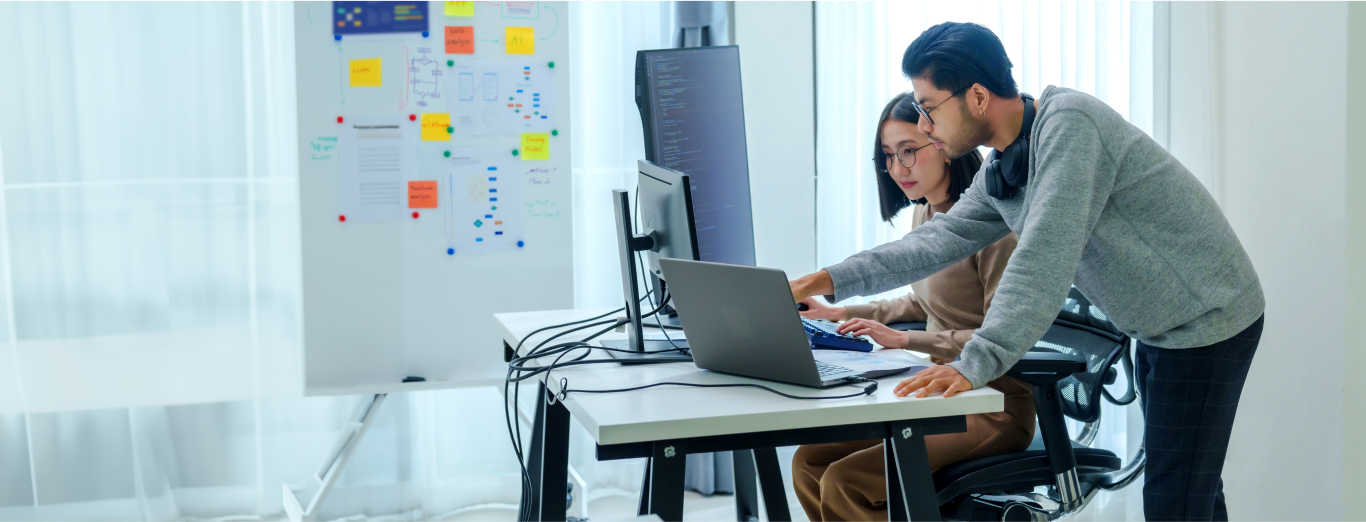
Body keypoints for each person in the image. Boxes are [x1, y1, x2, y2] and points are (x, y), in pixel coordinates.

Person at [790, 22, 1264, 522]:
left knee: (1174, 501)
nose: (925, 126)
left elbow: (1043, 259)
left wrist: (974, 362)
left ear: (975, 96)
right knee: (1194, 491)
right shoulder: (1005, 171)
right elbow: (932, 243)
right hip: (1156, 327)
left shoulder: (1071, 127)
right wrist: (822, 279)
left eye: (929, 109)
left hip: (1206, 319)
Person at [791, 92, 1034, 522]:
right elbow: (922, 299)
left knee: (846, 481)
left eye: (908, 151)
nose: (898, 168)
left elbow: (1006, 336)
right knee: (809, 463)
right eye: (888, 156)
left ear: (941, 145)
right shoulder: (925, 215)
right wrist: (841, 313)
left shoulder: (995, 229)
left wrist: (906, 338)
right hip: (936, 390)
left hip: (992, 402)